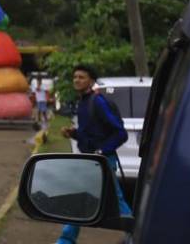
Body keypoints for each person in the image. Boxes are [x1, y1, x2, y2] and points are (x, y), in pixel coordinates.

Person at [56, 65, 132, 244]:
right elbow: (91, 133)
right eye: (75, 77)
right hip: (91, 160)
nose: (77, 80)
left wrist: (101, 152)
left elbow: (121, 133)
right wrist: (74, 133)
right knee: (90, 198)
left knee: (116, 204)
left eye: (81, 77)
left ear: (91, 81)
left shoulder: (98, 102)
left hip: (102, 161)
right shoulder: (83, 101)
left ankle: (135, 236)